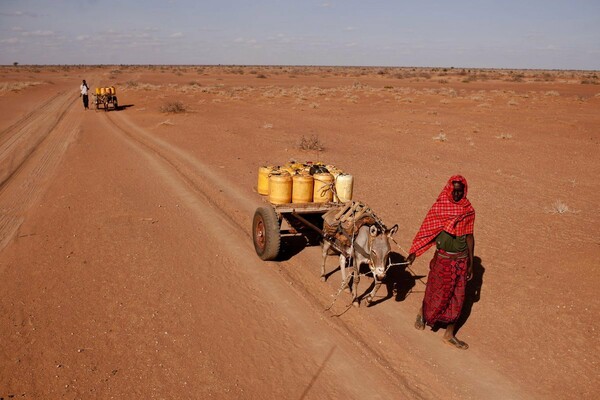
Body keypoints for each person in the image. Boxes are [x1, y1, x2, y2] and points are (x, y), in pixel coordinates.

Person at [406, 175, 475, 350]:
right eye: (455, 191)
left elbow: (469, 237)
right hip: (442, 259)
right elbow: (427, 231)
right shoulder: (440, 207)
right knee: (433, 290)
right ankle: (422, 314)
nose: (458, 195)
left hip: (460, 260)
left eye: (461, 191)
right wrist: (414, 252)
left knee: (458, 298)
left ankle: (449, 334)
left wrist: (471, 263)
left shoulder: (468, 210)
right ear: (449, 189)